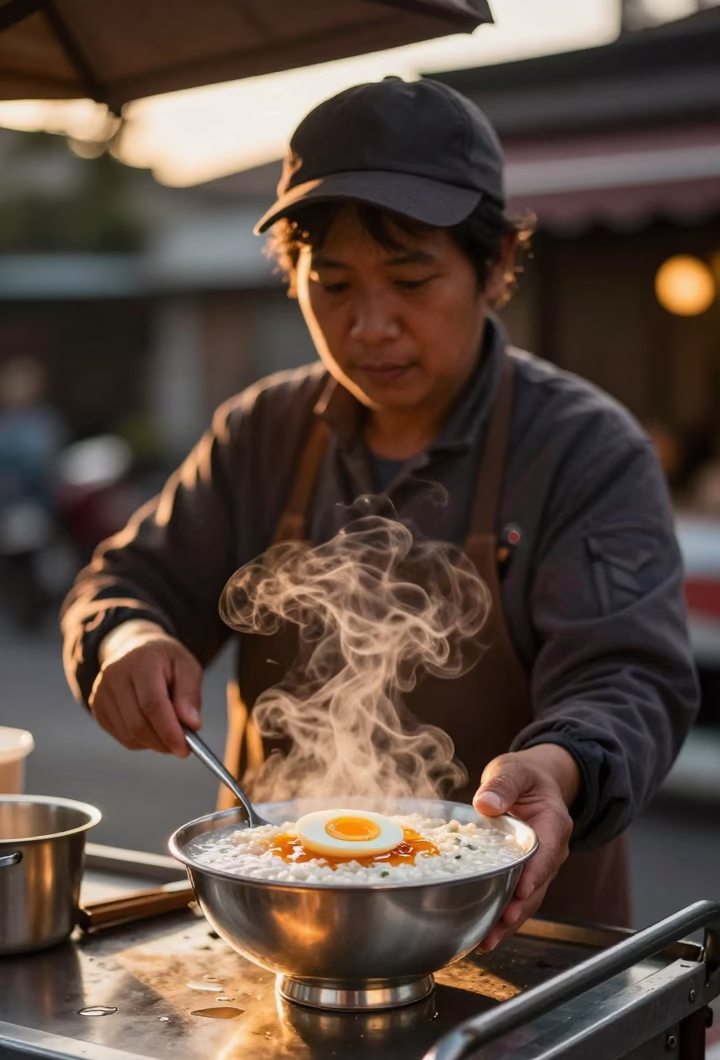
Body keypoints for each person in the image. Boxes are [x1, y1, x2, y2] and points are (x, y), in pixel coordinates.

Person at [61, 78, 698, 950]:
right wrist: (126, 639)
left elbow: (627, 676)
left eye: (410, 279)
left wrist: (560, 764)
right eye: (332, 283)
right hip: (275, 930)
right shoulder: (262, 432)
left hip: (525, 944)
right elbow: (130, 581)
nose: (369, 326)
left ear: (497, 266)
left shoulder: (586, 451)